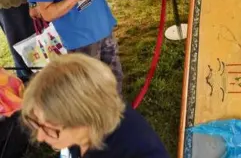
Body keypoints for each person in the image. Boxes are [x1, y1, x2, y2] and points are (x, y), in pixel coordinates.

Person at [21, 53, 170, 157]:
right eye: (36, 123)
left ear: (83, 119)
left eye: (48, 128)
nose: (40, 137)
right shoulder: (87, 132)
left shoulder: (138, 150)